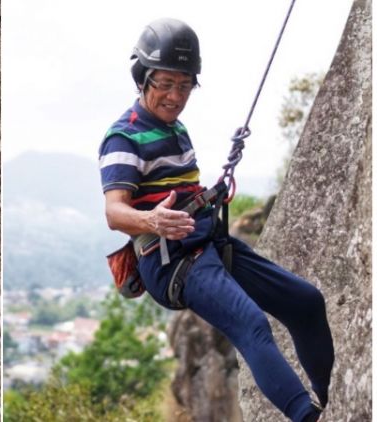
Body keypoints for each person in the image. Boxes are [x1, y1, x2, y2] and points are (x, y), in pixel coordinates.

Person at [99, 19, 333, 422]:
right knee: (251, 325)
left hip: (203, 242)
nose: (175, 96)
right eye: (165, 84)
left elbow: (177, 188)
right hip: (168, 260)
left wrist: (210, 195)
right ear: (143, 79)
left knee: (306, 302)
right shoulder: (124, 137)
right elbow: (114, 212)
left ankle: (328, 402)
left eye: (185, 85)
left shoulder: (177, 129)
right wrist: (153, 220)